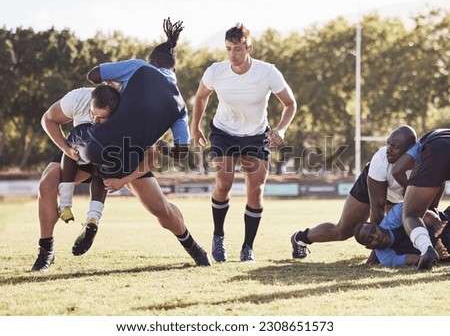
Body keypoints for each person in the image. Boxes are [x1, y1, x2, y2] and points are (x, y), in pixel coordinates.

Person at [67, 18, 211, 268]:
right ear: (174, 72)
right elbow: (181, 153)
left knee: (86, 138)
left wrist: (116, 89)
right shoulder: (180, 107)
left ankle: (87, 214)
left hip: (96, 148)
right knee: (162, 210)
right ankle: (197, 252)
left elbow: (92, 75)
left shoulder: (138, 67)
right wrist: (163, 146)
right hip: (131, 160)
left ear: (151, 61)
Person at [190, 23, 297, 262]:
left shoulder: (267, 72)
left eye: (237, 49)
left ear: (249, 47)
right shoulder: (216, 72)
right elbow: (201, 96)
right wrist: (194, 126)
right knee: (223, 183)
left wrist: (281, 128)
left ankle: (248, 247)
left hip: (257, 135)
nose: (232, 54)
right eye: (228, 48)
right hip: (224, 133)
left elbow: (290, 104)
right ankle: (218, 237)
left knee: (255, 191)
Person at [290, 125, 417, 260]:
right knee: (343, 231)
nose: (388, 150)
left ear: (410, 150)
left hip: (397, 194)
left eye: (395, 147)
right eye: (388, 144)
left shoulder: (423, 161)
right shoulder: (381, 160)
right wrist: (376, 253)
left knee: (406, 224)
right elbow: (377, 207)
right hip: (373, 189)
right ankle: (301, 238)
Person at [32, 84, 120, 271]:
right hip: (75, 154)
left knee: (159, 207)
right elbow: (48, 119)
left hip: (107, 157)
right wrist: (66, 149)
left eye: (101, 118)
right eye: (92, 114)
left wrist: (126, 176)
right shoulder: (79, 98)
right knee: (46, 185)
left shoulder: (126, 109)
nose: (95, 120)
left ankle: (92, 220)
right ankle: (46, 250)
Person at [402, 128, 450, 270]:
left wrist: (409, 191)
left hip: (437, 146)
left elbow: (397, 170)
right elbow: (440, 180)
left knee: (411, 214)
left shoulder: (421, 144)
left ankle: (427, 249)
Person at [354, 203, 449, 267]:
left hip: (444, 223)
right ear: (370, 247)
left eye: (374, 230)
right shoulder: (385, 258)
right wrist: (434, 256)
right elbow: (413, 259)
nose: (376, 236)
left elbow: (422, 214)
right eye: (370, 239)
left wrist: (436, 224)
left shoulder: (393, 217)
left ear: (376, 225)